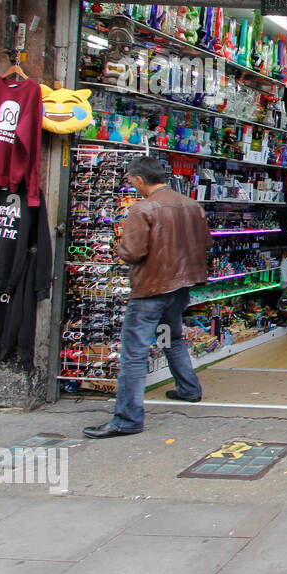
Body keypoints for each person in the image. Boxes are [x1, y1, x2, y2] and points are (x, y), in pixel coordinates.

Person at [83, 156, 212, 438]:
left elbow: (132, 252)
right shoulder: (192, 206)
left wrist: (119, 245)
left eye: (131, 181)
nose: (131, 185)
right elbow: (206, 242)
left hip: (151, 290)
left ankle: (127, 419)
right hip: (181, 287)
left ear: (140, 180)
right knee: (170, 336)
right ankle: (188, 389)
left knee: (134, 353)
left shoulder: (143, 209)